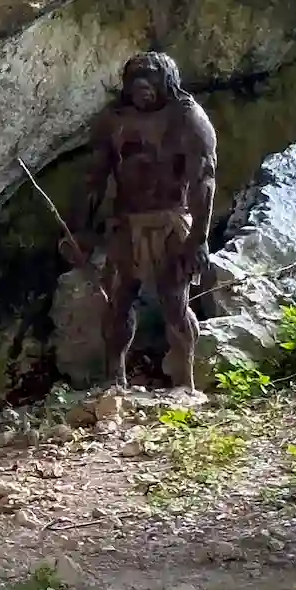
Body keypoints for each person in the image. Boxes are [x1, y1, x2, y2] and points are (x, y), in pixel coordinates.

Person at [64, 51, 219, 392]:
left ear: (167, 80)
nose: (141, 84)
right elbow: (94, 177)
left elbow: (203, 179)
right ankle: (114, 381)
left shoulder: (187, 117)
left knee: (174, 302)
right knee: (117, 301)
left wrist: (199, 238)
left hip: (170, 222)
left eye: (149, 75)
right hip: (126, 223)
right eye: (134, 77)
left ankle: (186, 382)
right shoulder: (114, 119)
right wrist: (82, 229)